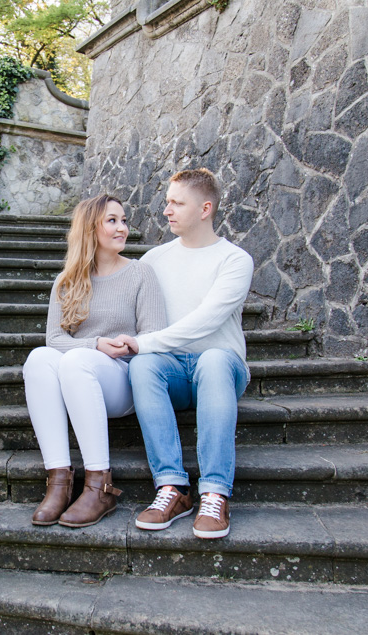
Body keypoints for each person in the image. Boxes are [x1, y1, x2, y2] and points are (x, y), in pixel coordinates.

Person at [112, 168, 253, 539]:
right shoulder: (154, 260)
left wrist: (146, 342)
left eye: (177, 202)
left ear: (205, 208)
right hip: (172, 372)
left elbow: (207, 322)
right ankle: (172, 488)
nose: (166, 210)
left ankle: (215, 492)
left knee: (214, 358)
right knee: (142, 365)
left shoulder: (234, 260)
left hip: (221, 369)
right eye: (167, 202)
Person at [23, 194, 166, 528]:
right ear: (90, 228)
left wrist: (125, 345)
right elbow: (54, 340)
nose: (123, 228)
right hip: (83, 371)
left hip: (124, 379)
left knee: (75, 361)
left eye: (124, 220)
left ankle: (100, 485)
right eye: (112, 221)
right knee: (38, 359)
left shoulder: (141, 273)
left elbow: (155, 334)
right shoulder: (67, 280)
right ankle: (59, 480)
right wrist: (96, 344)